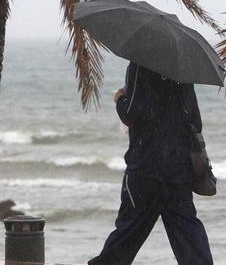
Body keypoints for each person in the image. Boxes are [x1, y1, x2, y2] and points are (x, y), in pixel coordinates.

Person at [89, 62, 213, 265]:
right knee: (187, 232)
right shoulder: (182, 71)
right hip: (178, 168)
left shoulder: (140, 65)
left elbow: (131, 112)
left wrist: (120, 98)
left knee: (130, 230)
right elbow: (195, 121)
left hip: (146, 166)